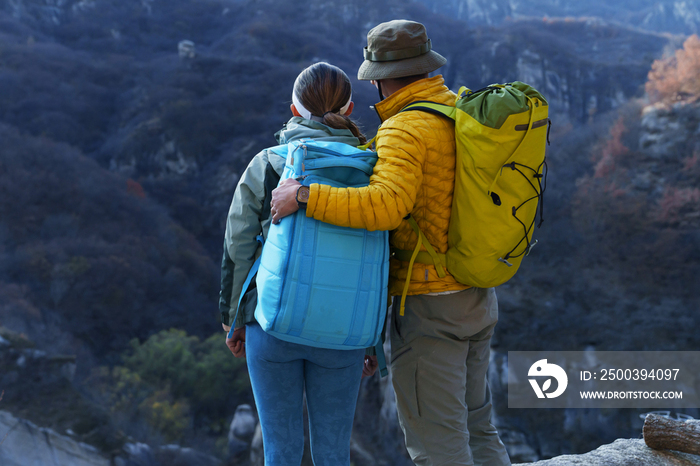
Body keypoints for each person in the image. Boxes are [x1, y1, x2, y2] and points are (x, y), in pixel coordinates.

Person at [271, 20, 511, 466]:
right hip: (476, 292)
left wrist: (303, 196)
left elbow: (384, 207)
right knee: (479, 428)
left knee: (439, 446)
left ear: (380, 77)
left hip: (429, 304)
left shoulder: (404, 129)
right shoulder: (457, 108)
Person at [219, 62, 377, 466]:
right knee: (333, 453)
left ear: (293, 111)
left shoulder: (269, 163)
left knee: (281, 451)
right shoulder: (374, 169)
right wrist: (372, 337)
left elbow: (238, 246)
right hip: (346, 333)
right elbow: (381, 257)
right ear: (350, 108)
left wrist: (234, 318)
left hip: (274, 325)